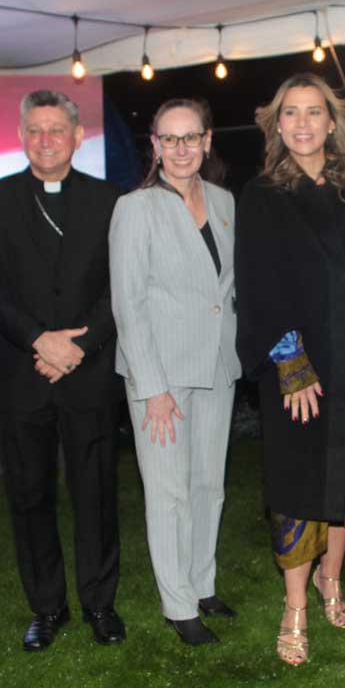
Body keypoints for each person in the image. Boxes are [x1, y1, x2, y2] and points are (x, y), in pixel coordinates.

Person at [236, 73, 345, 666]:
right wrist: (289, 361)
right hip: (298, 365)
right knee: (299, 480)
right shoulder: (262, 193)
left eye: (313, 112)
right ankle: (296, 605)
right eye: (291, 113)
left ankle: (333, 579)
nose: (302, 123)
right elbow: (255, 283)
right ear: (277, 125)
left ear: (332, 122)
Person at [0, 90, 124, 652]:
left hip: (90, 370)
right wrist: (38, 338)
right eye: (35, 129)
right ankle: (47, 606)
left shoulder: (111, 200)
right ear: (21, 136)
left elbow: (124, 282)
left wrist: (81, 344)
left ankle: (100, 603)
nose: (46, 140)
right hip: (19, 370)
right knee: (29, 497)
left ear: (78, 136)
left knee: (96, 494)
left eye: (57, 129)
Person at [109, 98, 240, 646]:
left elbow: (226, 288)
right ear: (155, 146)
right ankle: (178, 604)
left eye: (191, 137)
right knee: (169, 492)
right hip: (160, 374)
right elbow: (128, 303)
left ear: (207, 141)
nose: (181, 148)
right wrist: (152, 387)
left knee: (209, 485)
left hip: (217, 365)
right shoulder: (135, 208)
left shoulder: (225, 200)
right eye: (170, 138)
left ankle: (202, 583)